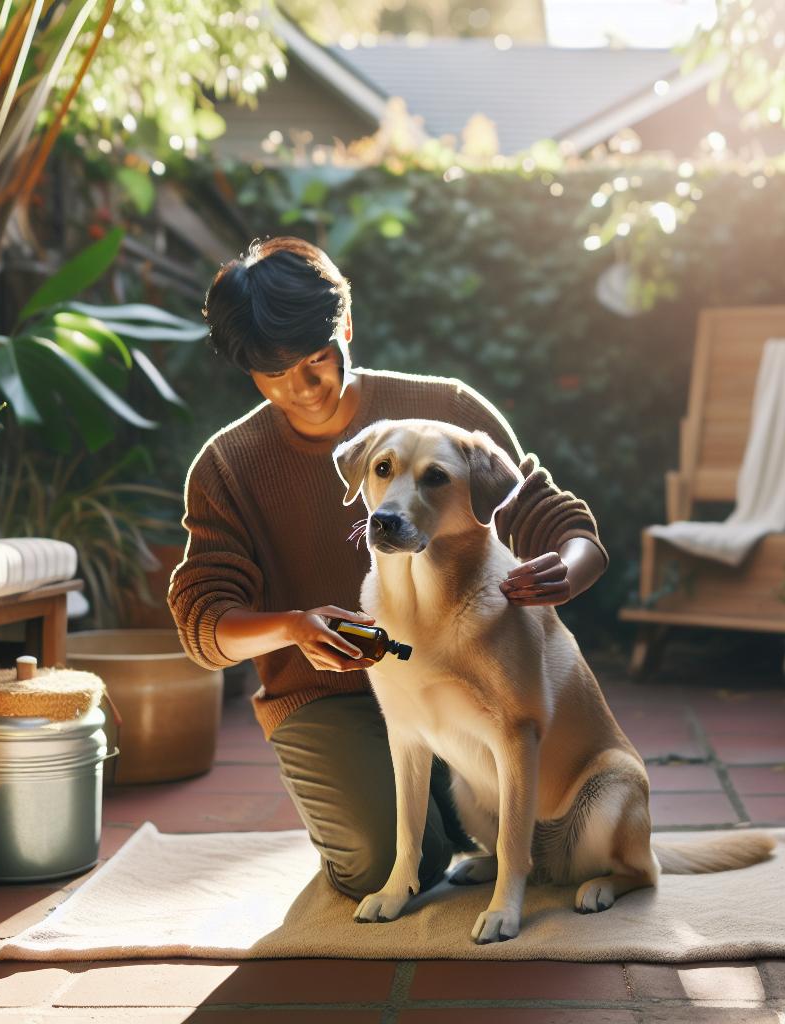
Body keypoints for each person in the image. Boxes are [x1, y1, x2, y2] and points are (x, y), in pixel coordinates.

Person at [168, 236, 607, 900]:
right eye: (272, 373)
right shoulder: (229, 465)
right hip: (327, 698)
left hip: (460, 675)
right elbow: (204, 624)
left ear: (345, 327)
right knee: (379, 866)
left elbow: (553, 519)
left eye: (316, 360)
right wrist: (293, 627)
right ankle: (436, 826)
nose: (302, 388)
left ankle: (466, 817)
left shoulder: (447, 413)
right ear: (246, 370)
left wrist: (571, 568)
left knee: (510, 794)